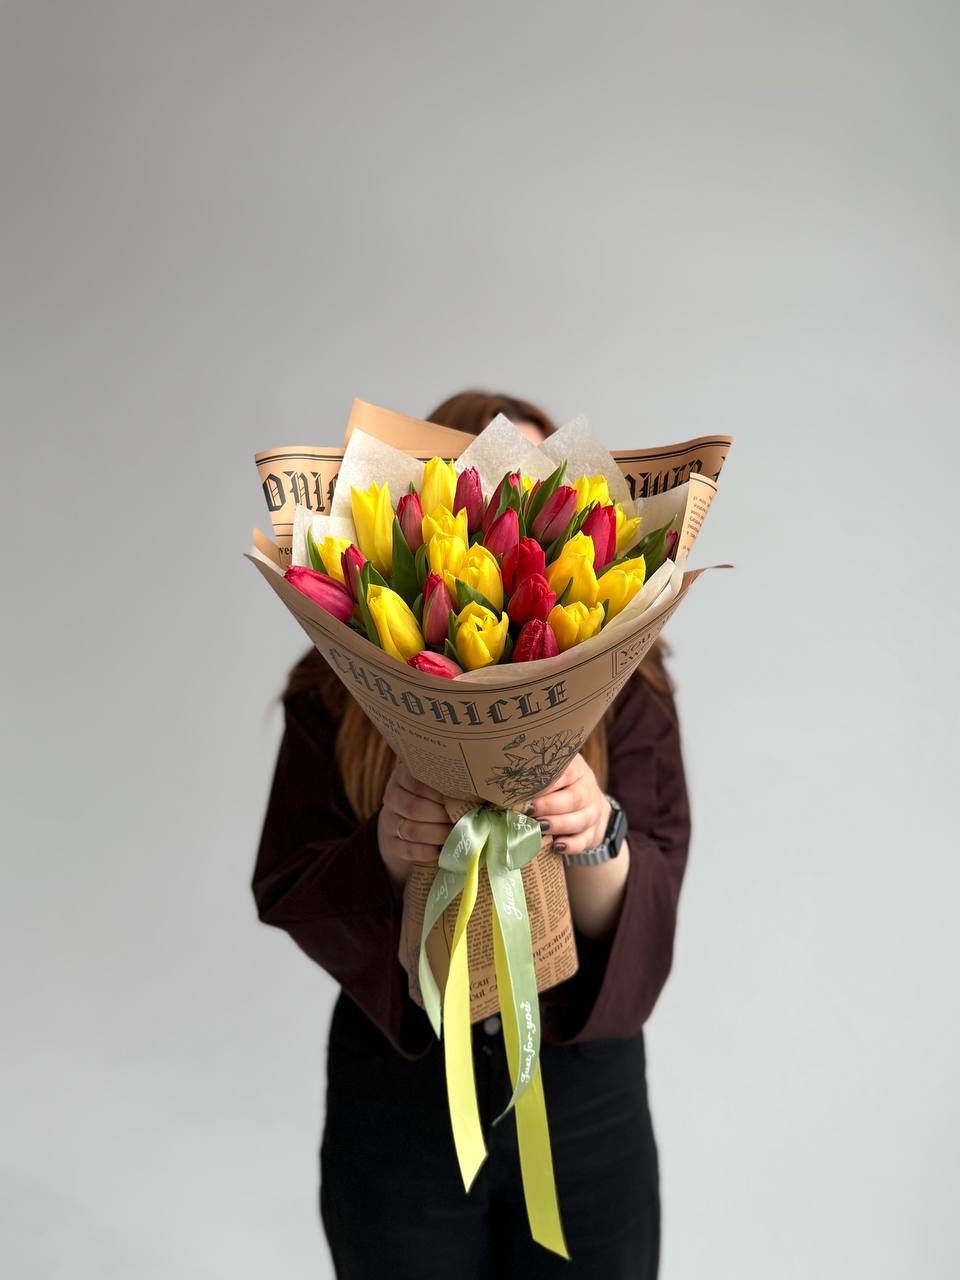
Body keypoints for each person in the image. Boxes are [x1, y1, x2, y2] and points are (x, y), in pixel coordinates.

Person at [252, 390, 692, 1279]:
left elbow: (651, 898)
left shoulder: (632, 682)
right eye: (482, 488)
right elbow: (292, 877)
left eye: (533, 485)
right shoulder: (333, 683)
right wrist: (389, 849)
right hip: (398, 1100)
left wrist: (593, 832)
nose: (510, 520)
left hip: (582, 1100)